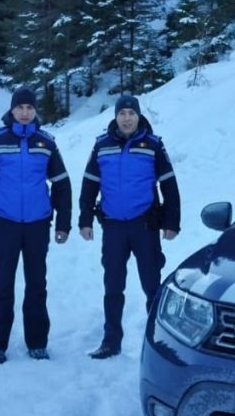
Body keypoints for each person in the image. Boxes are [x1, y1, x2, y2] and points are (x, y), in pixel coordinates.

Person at [0, 87, 72, 367]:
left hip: (38, 225)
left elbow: (62, 184)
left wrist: (63, 223)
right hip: (5, 224)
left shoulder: (46, 143)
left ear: (35, 111)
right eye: (20, 107)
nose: (25, 112)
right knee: (2, 285)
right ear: (12, 110)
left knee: (37, 285)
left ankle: (37, 343)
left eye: (30, 108)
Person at [78, 94, 181, 359]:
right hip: (113, 227)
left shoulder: (153, 145)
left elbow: (169, 185)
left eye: (131, 113)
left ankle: (157, 343)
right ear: (115, 117)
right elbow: (89, 183)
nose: (126, 118)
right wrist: (85, 219)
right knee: (113, 287)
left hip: (144, 226)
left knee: (152, 286)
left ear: (138, 116)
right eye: (122, 114)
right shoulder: (101, 145)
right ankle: (111, 341)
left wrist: (172, 222)